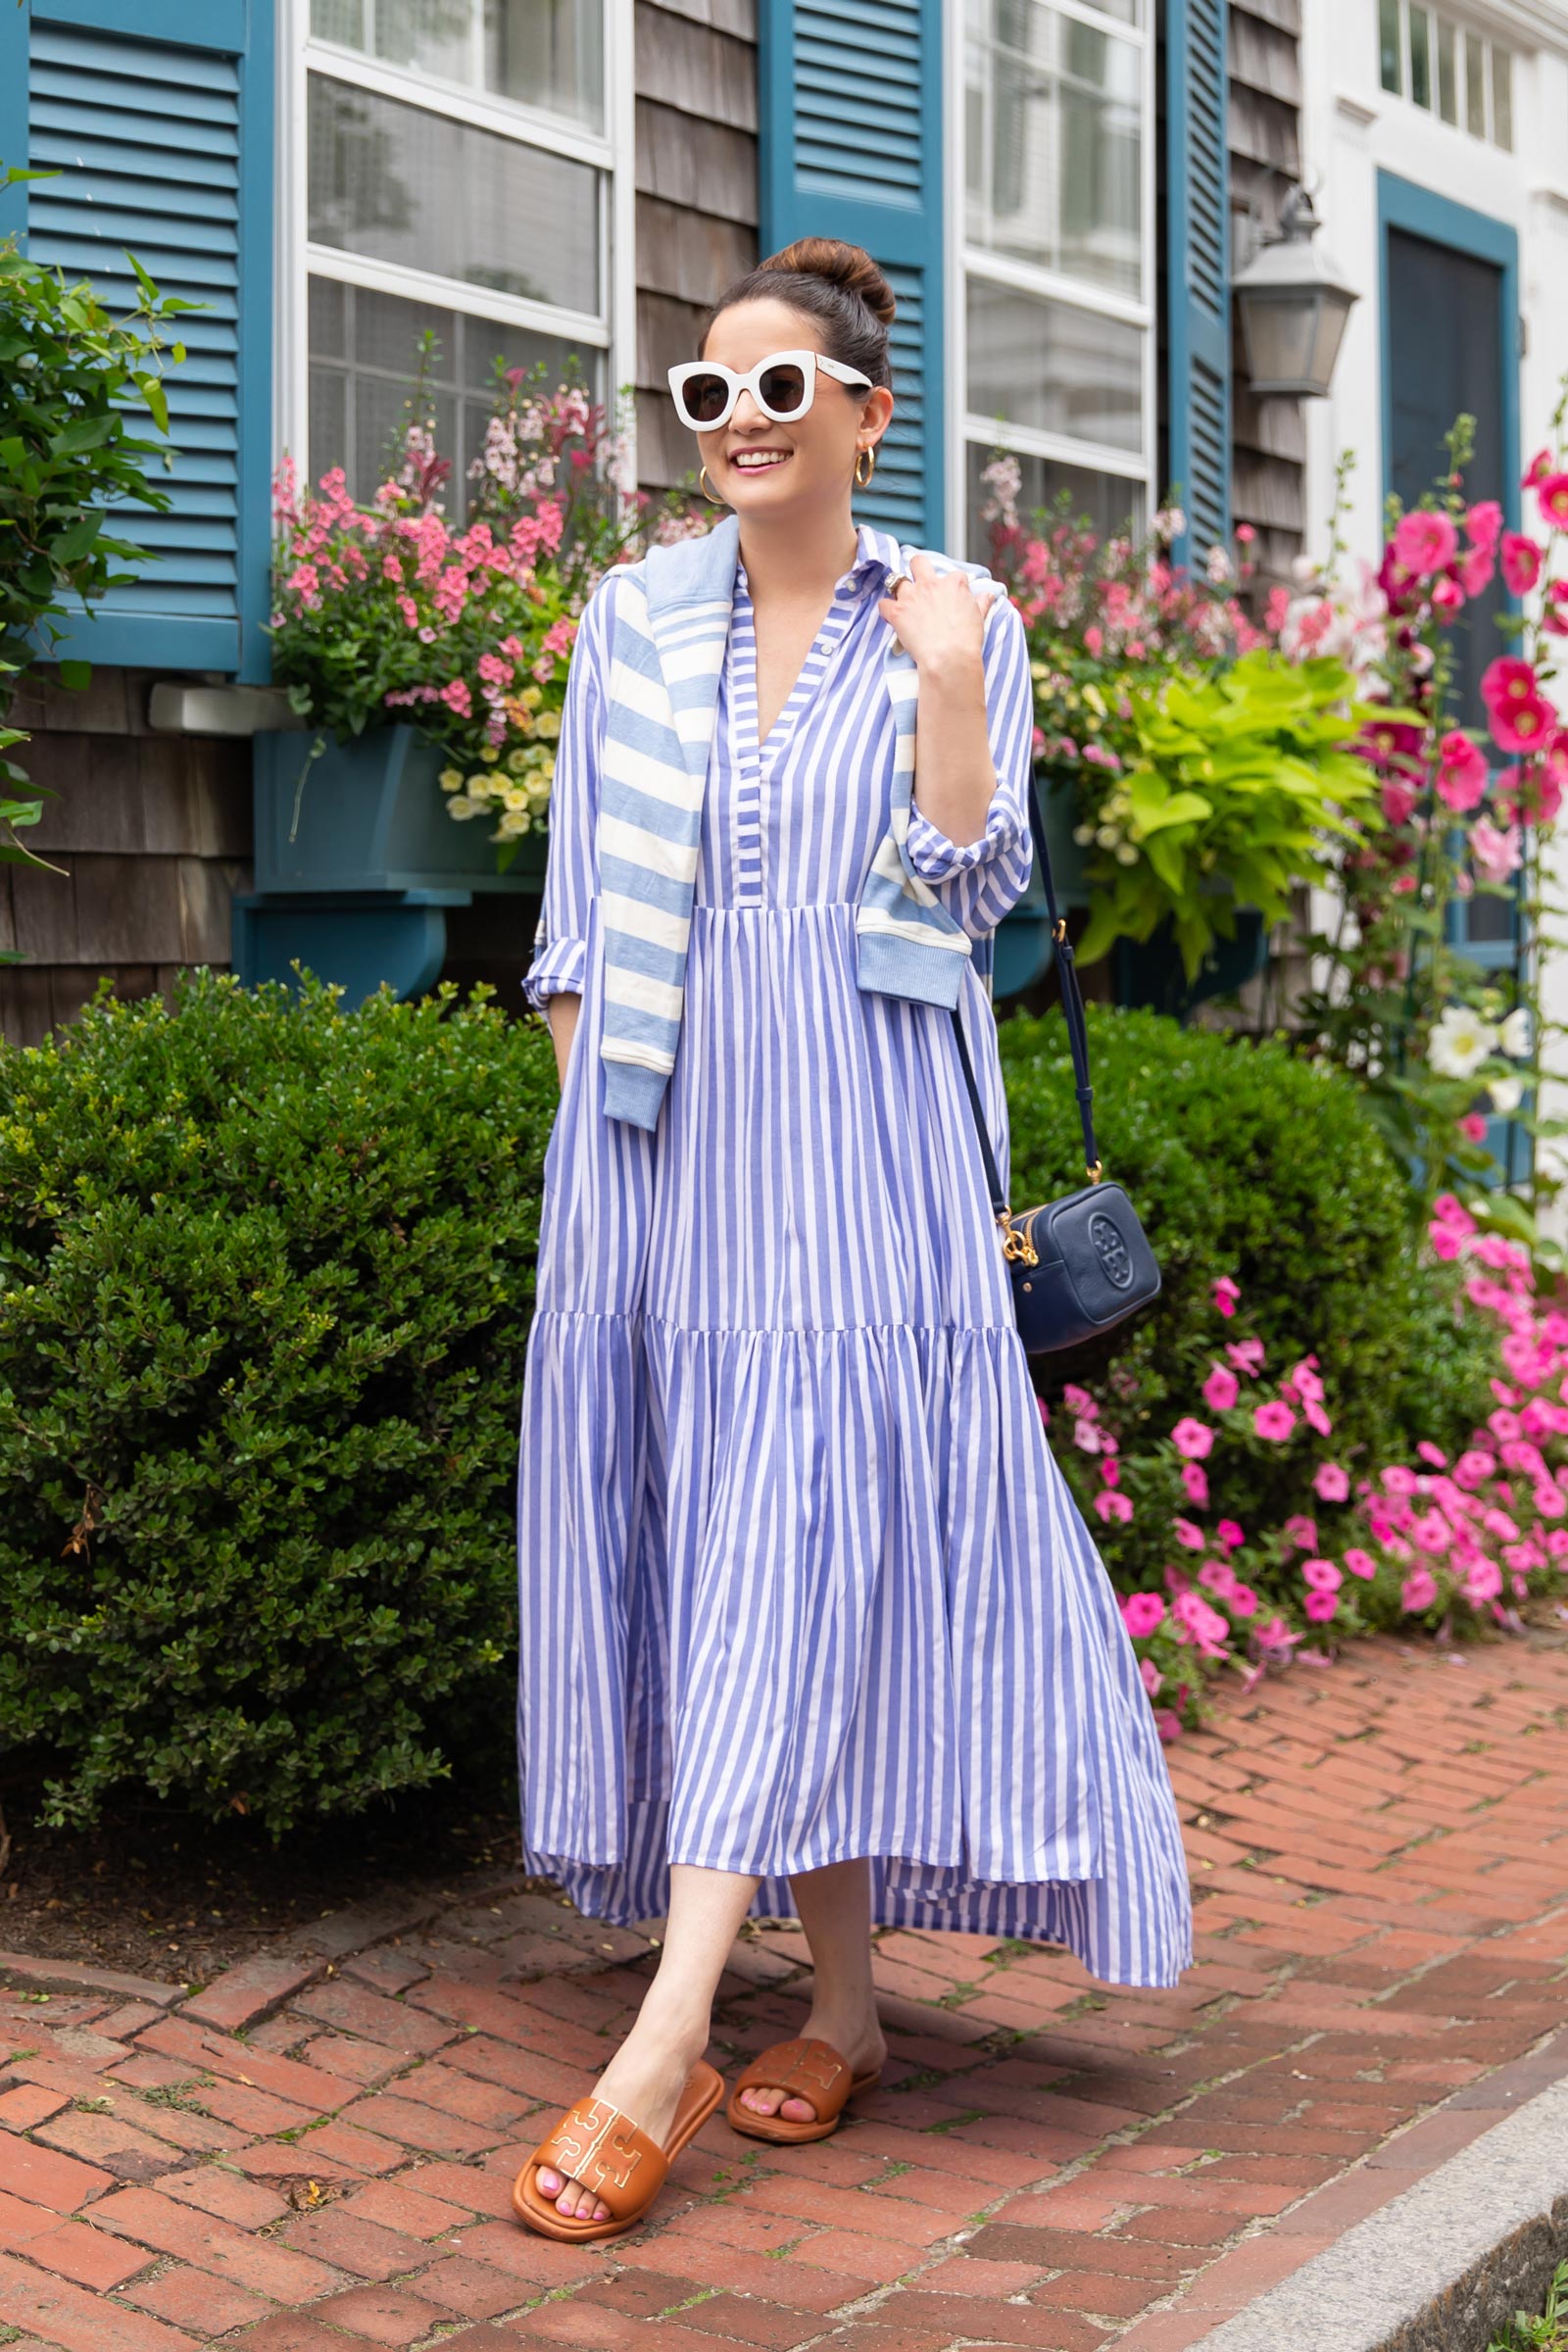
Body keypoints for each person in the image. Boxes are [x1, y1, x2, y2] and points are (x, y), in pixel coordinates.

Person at [510, 237, 1192, 2245]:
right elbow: (570, 931)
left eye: (772, 393)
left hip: (867, 1147)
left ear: (862, 416)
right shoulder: (621, 627)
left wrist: (962, 681)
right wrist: (600, 1173)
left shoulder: (950, 615)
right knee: (745, 1537)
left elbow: (969, 892)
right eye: (700, 398)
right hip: (667, 1150)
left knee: (806, 1528)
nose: (732, 425)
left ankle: (662, 2040)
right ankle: (853, 2007)